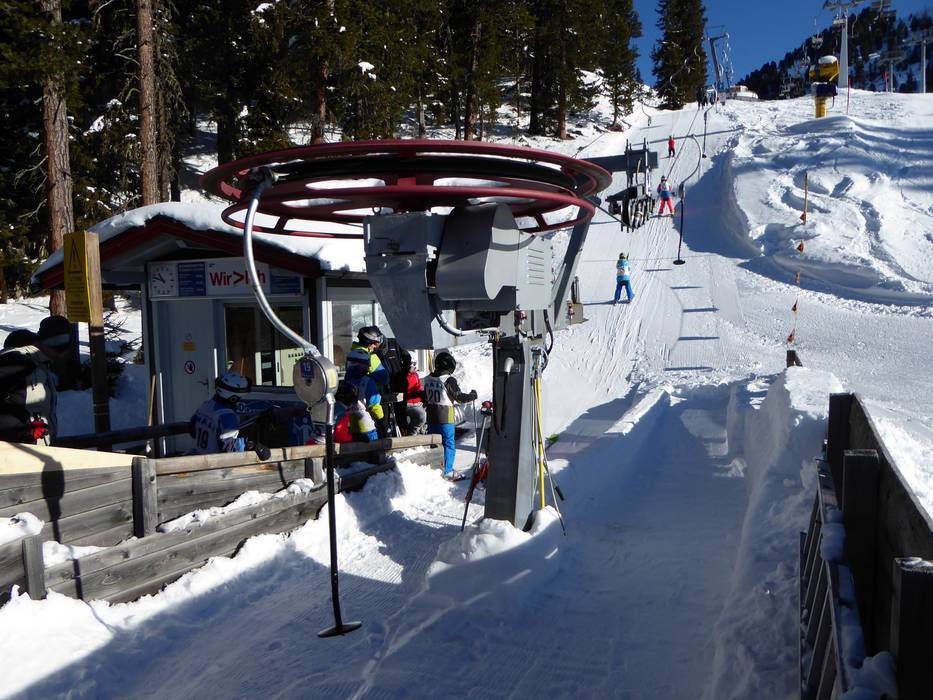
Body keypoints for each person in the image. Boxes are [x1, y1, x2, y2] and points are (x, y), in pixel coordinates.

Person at [0, 317, 73, 444]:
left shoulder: (40, 364)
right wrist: (22, 430)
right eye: (58, 345)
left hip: (31, 447)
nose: (62, 353)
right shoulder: (17, 361)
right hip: (14, 449)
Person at [423, 350, 477, 480]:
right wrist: (472, 395)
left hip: (431, 416)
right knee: (448, 444)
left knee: (434, 442)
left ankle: (435, 468)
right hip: (445, 416)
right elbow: (459, 397)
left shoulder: (427, 379)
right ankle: (447, 470)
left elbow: (425, 397)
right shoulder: (448, 379)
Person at [189, 371, 251, 454]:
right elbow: (230, 447)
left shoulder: (206, 405)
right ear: (233, 398)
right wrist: (250, 445)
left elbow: (193, 430)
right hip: (215, 460)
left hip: (198, 455)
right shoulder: (227, 416)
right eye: (240, 397)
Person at [348, 325, 391, 436]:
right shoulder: (369, 357)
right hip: (370, 409)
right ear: (369, 343)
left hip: (352, 417)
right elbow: (384, 378)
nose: (376, 346)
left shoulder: (352, 354)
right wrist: (382, 422)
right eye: (375, 343)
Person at [344, 348, 383, 439]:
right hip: (367, 427)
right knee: (373, 447)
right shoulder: (368, 381)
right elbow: (374, 405)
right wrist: (381, 420)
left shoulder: (346, 381)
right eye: (367, 363)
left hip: (350, 426)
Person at [393, 350, 426, 436]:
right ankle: (412, 434)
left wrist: (423, 396)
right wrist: (417, 394)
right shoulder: (402, 377)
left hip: (418, 403)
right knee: (421, 415)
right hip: (407, 404)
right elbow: (402, 395)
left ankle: (422, 430)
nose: (415, 367)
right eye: (413, 364)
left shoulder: (415, 375)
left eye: (416, 364)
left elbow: (419, 388)